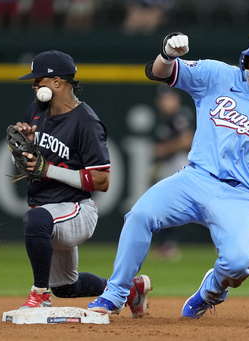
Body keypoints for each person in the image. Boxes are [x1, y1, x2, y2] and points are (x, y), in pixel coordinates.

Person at [87, 30, 249, 319]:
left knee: (239, 266)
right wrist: (166, 54)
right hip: (195, 178)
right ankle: (116, 293)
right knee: (139, 215)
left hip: (240, 196)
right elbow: (158, 73)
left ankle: (210, 292)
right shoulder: (218, 75)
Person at [12, 50, 151, 317]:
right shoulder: (36, 111)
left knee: (35, 220)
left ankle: (40, 295)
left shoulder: (86, 121)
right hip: (47, 209)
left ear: (57, 82)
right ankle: (132, 291)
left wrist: (48, 170)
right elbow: (35, 167)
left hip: (77, 210)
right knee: (66, 287)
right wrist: (27, 151)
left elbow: (102, 180)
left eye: (38, 80)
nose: (33, 85)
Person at [150, 85, 194, 259]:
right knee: (165, 207)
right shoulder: (164, 119)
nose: (165, 102)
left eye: (169, 99)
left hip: (180, 165)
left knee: (174, 206)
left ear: (176, 100)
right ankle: (166, 244)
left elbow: (187, 140)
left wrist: (165, 149)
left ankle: (168, 245)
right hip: (169, 166)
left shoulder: (178, 118)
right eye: (163, 99)